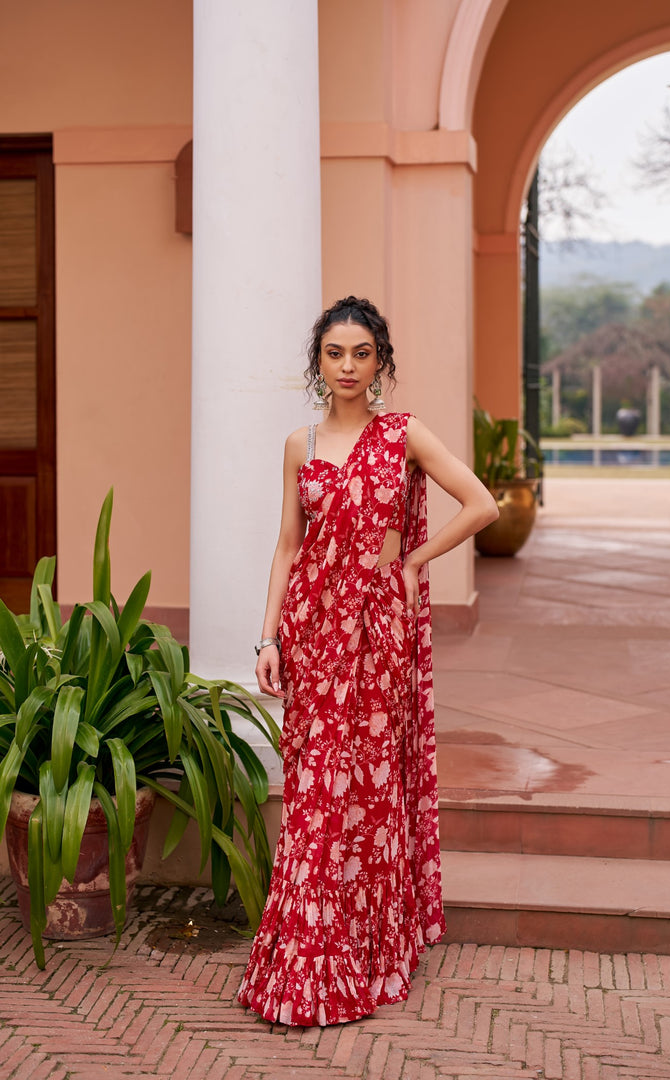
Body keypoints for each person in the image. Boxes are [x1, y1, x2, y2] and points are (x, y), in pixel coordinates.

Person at [237, 296, 499, 1027]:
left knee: (369, 789)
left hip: (378, 636)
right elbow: (288, 547)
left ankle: (373, 949)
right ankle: (307, 955)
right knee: (316, 789)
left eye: (361, 353)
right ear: (317, 362)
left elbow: (481, 505)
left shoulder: (402, 434)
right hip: (313, 634)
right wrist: (267, 639)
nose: (347, 366)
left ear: (381, 360)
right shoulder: (300, 444)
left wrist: (412, 560)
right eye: (334, 353)